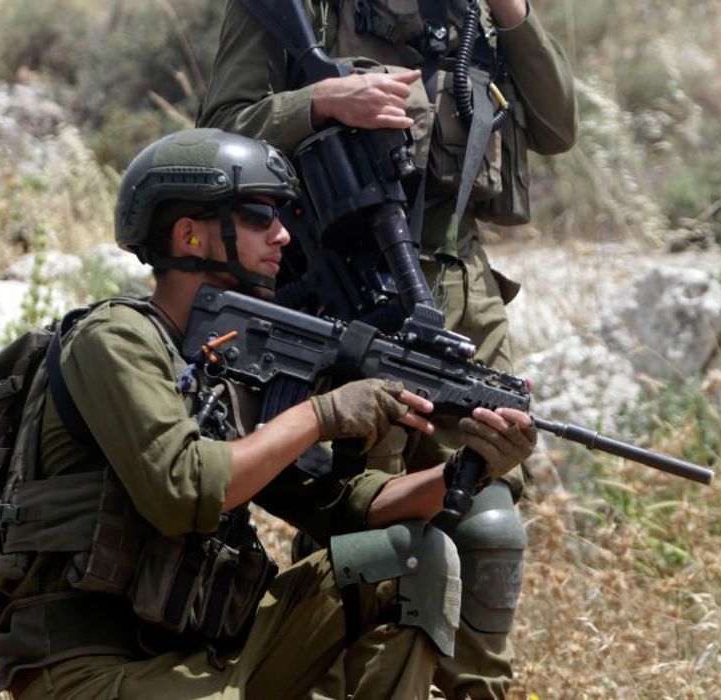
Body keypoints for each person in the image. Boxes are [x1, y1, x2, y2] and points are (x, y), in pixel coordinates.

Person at [0, 129, 537, 699]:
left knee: (413, 557)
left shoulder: (219, 367)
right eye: (258, 215)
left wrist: (468, 469)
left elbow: (340, 502)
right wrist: (321, 415)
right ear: (189, 234)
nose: (282, 235)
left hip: (203, 656)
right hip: (88, 672)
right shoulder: (113, 340)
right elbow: (184, 490)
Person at [199, 1, 576, 696]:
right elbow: (218, 130)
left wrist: (513, 16)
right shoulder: (302, 9)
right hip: (346, 289)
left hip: (462, 298)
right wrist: (318, 101)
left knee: (486, 513)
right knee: (356, 519)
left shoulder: (474, 16)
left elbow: (557, 128)